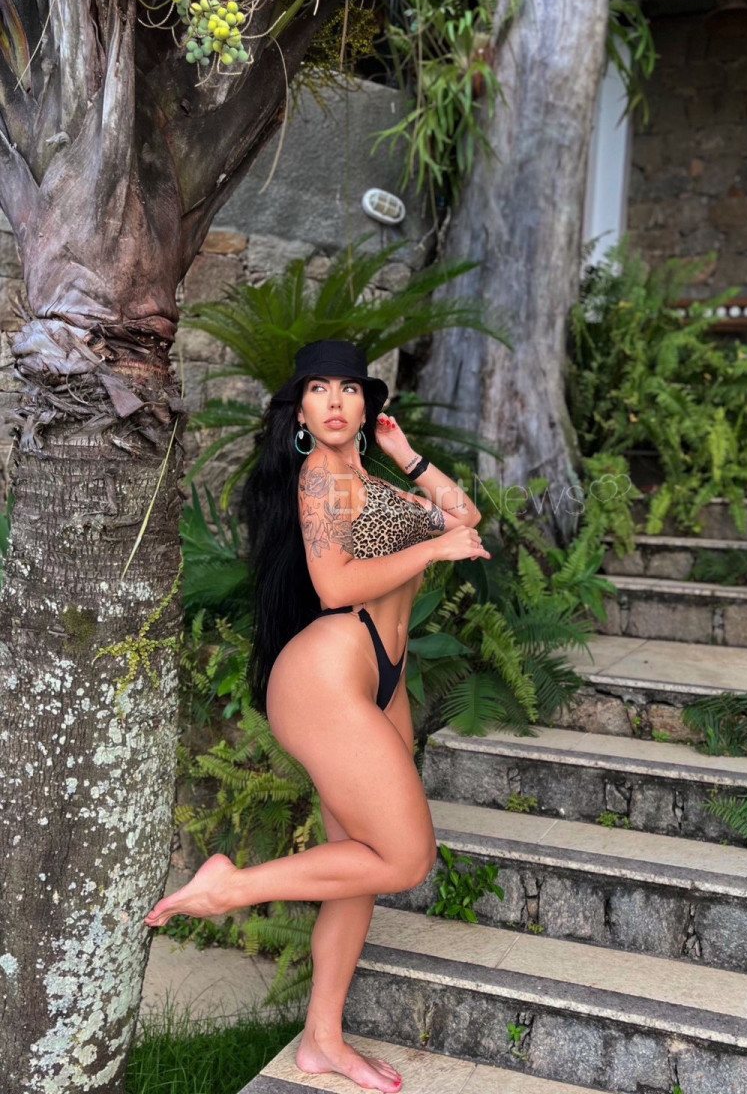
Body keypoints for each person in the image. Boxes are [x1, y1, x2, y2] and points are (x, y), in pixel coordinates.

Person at [144, 338, 491, 1092]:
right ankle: (232, 887)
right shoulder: (320, 479)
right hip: (329, 675)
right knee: (405, 859)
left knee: (356, 867)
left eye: (350, 389)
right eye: (318, 389)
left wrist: (405, 455)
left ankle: (320, 1041)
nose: (335, 401)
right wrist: (431, 554)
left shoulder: (367, 476)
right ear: (299, 411)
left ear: (368, 406)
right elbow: (335, 585)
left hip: (380, 677)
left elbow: (465, 519)